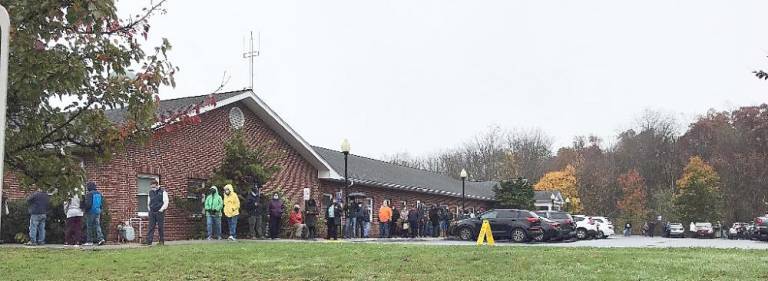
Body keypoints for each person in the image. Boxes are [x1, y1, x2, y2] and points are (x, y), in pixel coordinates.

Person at [145, 179, 169, 245]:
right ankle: (149, 241)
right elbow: (148, 202)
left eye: (153, 187)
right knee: (151, 227)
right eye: (151, 187)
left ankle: (161, 241)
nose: (152, 188)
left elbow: (166, 202)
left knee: (160, 227)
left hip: (160, 212)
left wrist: (161, 210)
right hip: (152, 212)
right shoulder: (150, 192)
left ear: (157, 185)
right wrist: (149, 209)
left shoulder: (163, 192)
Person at [83, 182, 105, 246]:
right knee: (97, 226)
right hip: (98, 211)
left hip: (90, 212)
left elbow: (88, 204)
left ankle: (89, 241)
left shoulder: (89, 194)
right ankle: (101, 239)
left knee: (89, 227)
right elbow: (101, 204)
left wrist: (85, 210)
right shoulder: (99, 194)